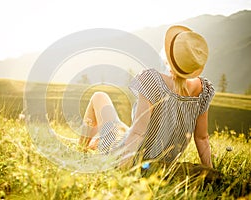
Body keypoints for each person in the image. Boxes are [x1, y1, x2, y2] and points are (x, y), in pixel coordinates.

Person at [78, 25, 215, 168]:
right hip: (164, 163)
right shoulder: (204, 90)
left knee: (99, 97)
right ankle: (97, 142)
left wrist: (123, 169)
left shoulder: (152, 81)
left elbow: (138, 132)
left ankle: (80, 150)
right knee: (121, 129)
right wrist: (209, 169)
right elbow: (202, 138)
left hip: (131, 157)